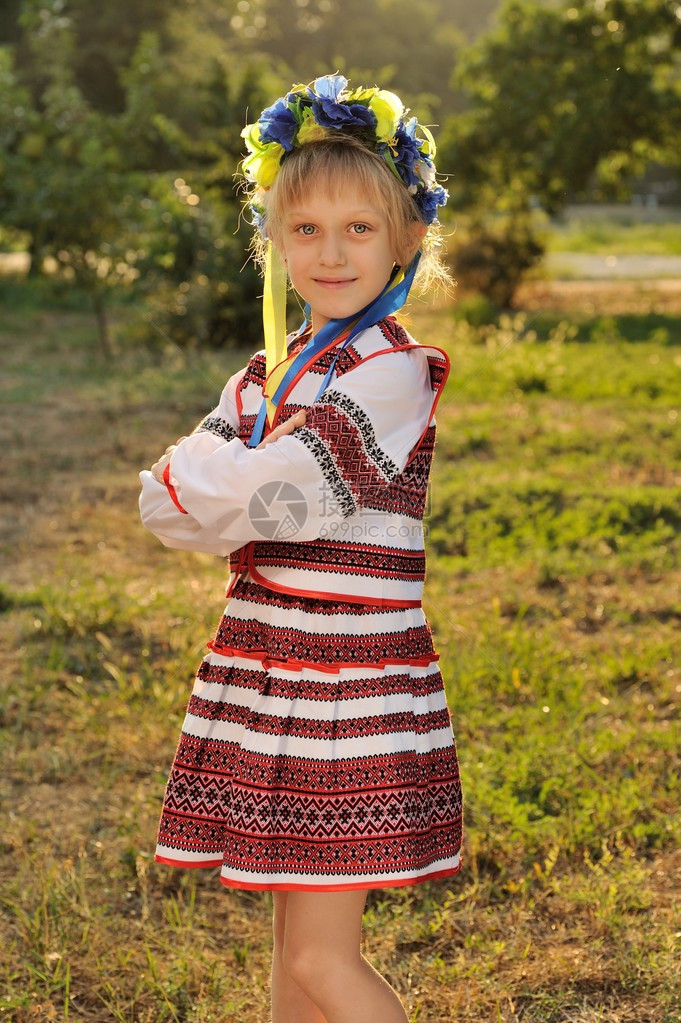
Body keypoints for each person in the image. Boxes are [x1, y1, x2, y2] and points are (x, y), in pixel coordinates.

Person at [139, 74, 463, 1023]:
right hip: (274, 668)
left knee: (324, 962)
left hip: (345, 685)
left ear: (406, 238)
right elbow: (167, 507)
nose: (330, 252)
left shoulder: (393, 371)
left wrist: (217, 473)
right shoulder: (273, 371)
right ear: (274, 242)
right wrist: (215, 479)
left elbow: (268, 495)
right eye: (306, 230)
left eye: (359, 228)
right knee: (288, 962)